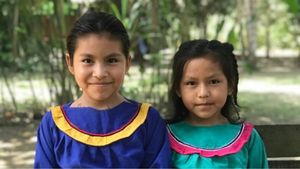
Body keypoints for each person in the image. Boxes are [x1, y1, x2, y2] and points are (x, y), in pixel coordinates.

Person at [34, 10, 171, 168]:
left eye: (111, 60)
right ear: (70, 63)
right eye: (87, 60)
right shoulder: (53, 124)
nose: (99, 73)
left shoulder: (147, 121)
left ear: (127, 63)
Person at [167, 39, 268, 168]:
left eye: (214, 81)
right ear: (178, 89)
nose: (203, 93)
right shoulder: (165, 137)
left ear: (230, 85)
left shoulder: (248, 138)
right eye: (191, 83)